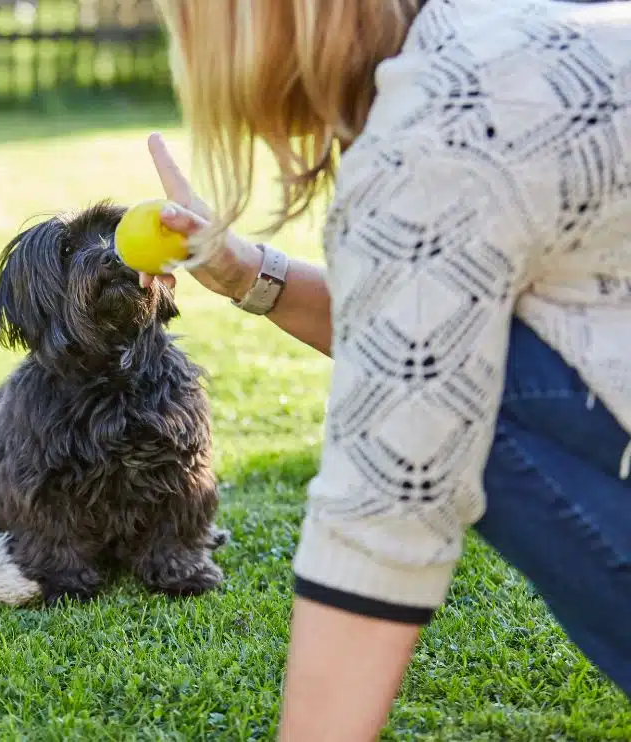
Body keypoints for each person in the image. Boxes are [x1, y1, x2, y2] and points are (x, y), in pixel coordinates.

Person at [138, 0, 631, 738]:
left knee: (474, 400)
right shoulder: (497, 34)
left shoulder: (437, 126)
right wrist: (248, 274)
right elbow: (433, 324)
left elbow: (387, 502)